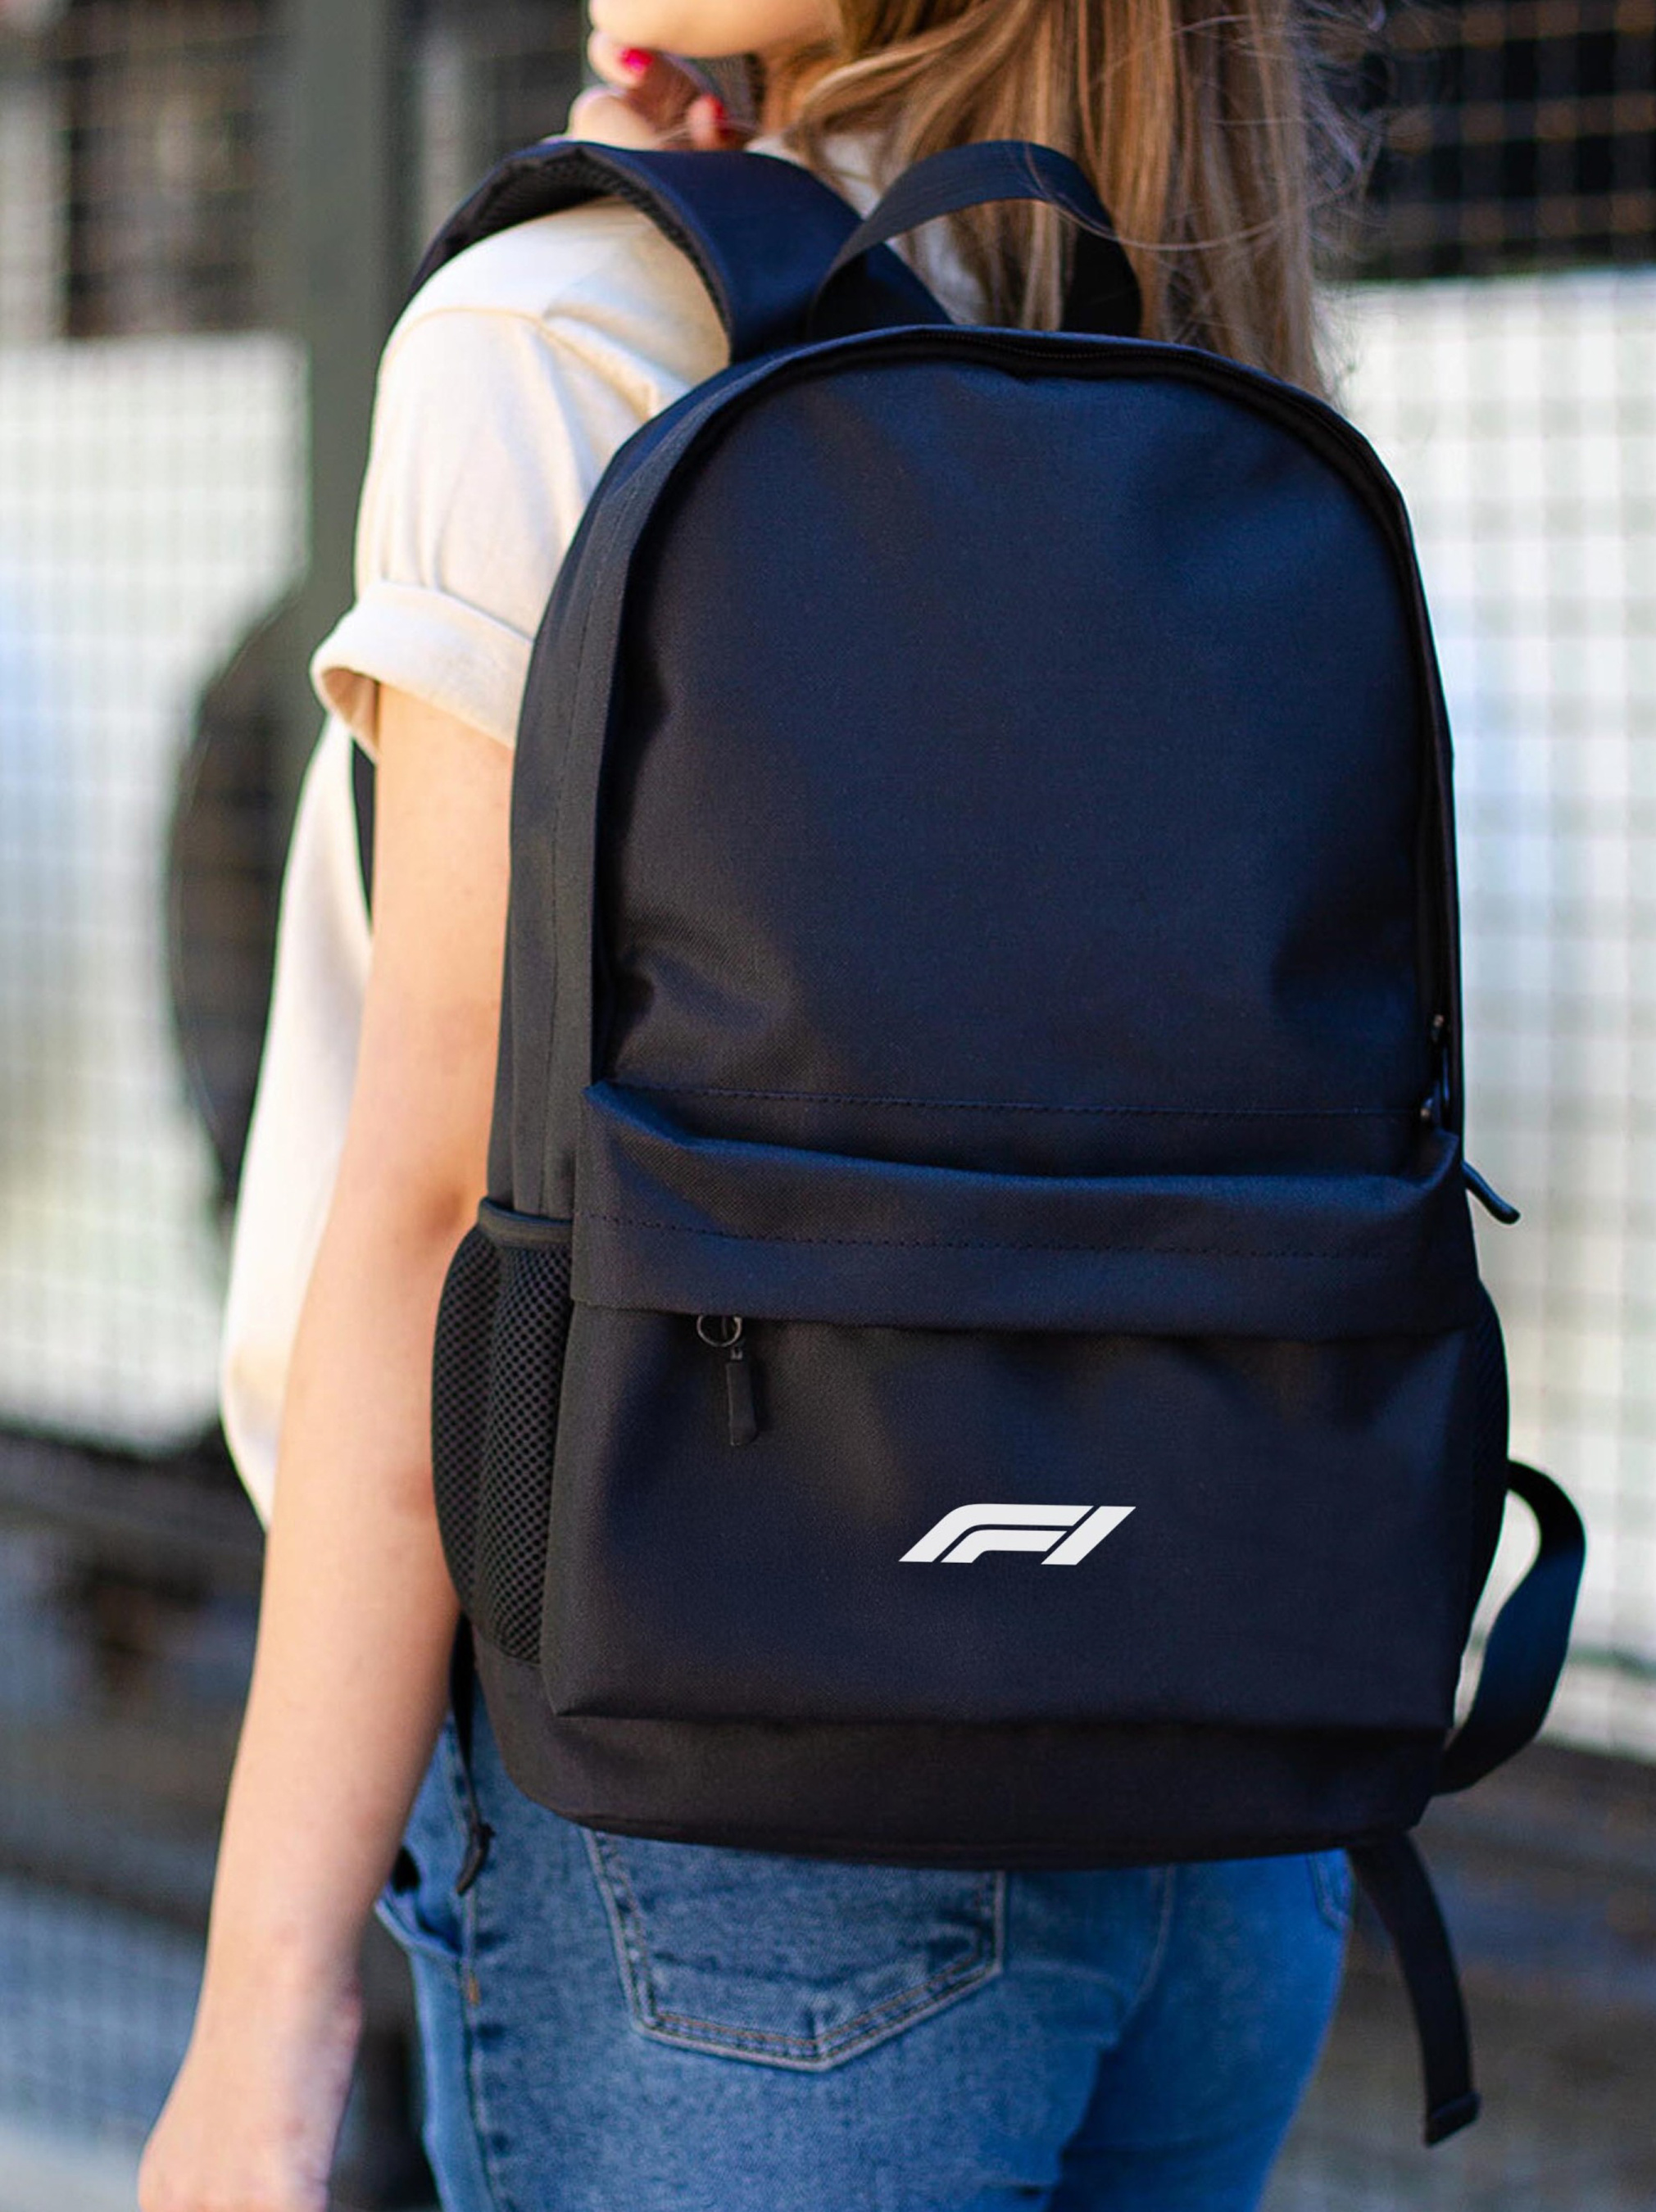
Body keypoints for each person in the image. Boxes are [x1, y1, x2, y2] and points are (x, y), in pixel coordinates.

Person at [140, 5, 1371, 2207]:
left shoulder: (556, 332)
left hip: (736, 1819)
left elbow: (437, 1213)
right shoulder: (1184, 305)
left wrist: (264, 2011)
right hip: (1231, 1778)